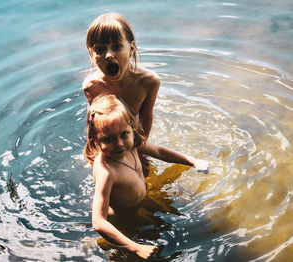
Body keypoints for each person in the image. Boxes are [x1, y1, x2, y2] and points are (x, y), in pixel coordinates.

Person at [84, 94, 209, 259]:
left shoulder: (134, 144)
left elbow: (159, 151)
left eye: (124, 134)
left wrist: (192, 161)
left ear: (132, 128)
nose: (120, 144)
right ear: (95, 140)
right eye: (108, 139)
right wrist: (135, 248)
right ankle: (91, 243)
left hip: (140, 202)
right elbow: (99, 222)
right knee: (130, 252)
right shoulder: (106, 171)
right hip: (124, 220)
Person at [83, 12, 159, 140]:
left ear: (131, 49)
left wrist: (141, 146)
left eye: (116, 47)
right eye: (100, 50)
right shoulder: (91, 86)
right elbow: (93, 123)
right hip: (109, 135)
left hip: (132, 128)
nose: (108, 55)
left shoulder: (148, 82)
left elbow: (145, 119)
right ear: (91, 53)